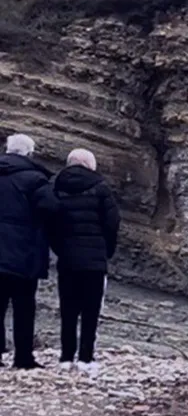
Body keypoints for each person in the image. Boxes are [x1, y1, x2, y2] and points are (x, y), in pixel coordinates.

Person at [42, 148, 121, 374]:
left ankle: (66, 357)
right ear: (90, 165)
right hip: (94, 260)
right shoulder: (101, 188)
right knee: (91, 309)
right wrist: (106, 249)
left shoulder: (56, 186)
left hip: (68, 259)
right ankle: (86, 358)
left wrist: (59, 248)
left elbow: (50, 222)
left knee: (68, 309)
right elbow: (113, 221)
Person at [0, 133, 52, 370]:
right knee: (24, 307)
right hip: (24, 253)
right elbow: (50, 210)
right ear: (30, 153)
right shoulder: (35, 179)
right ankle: (23, 358)